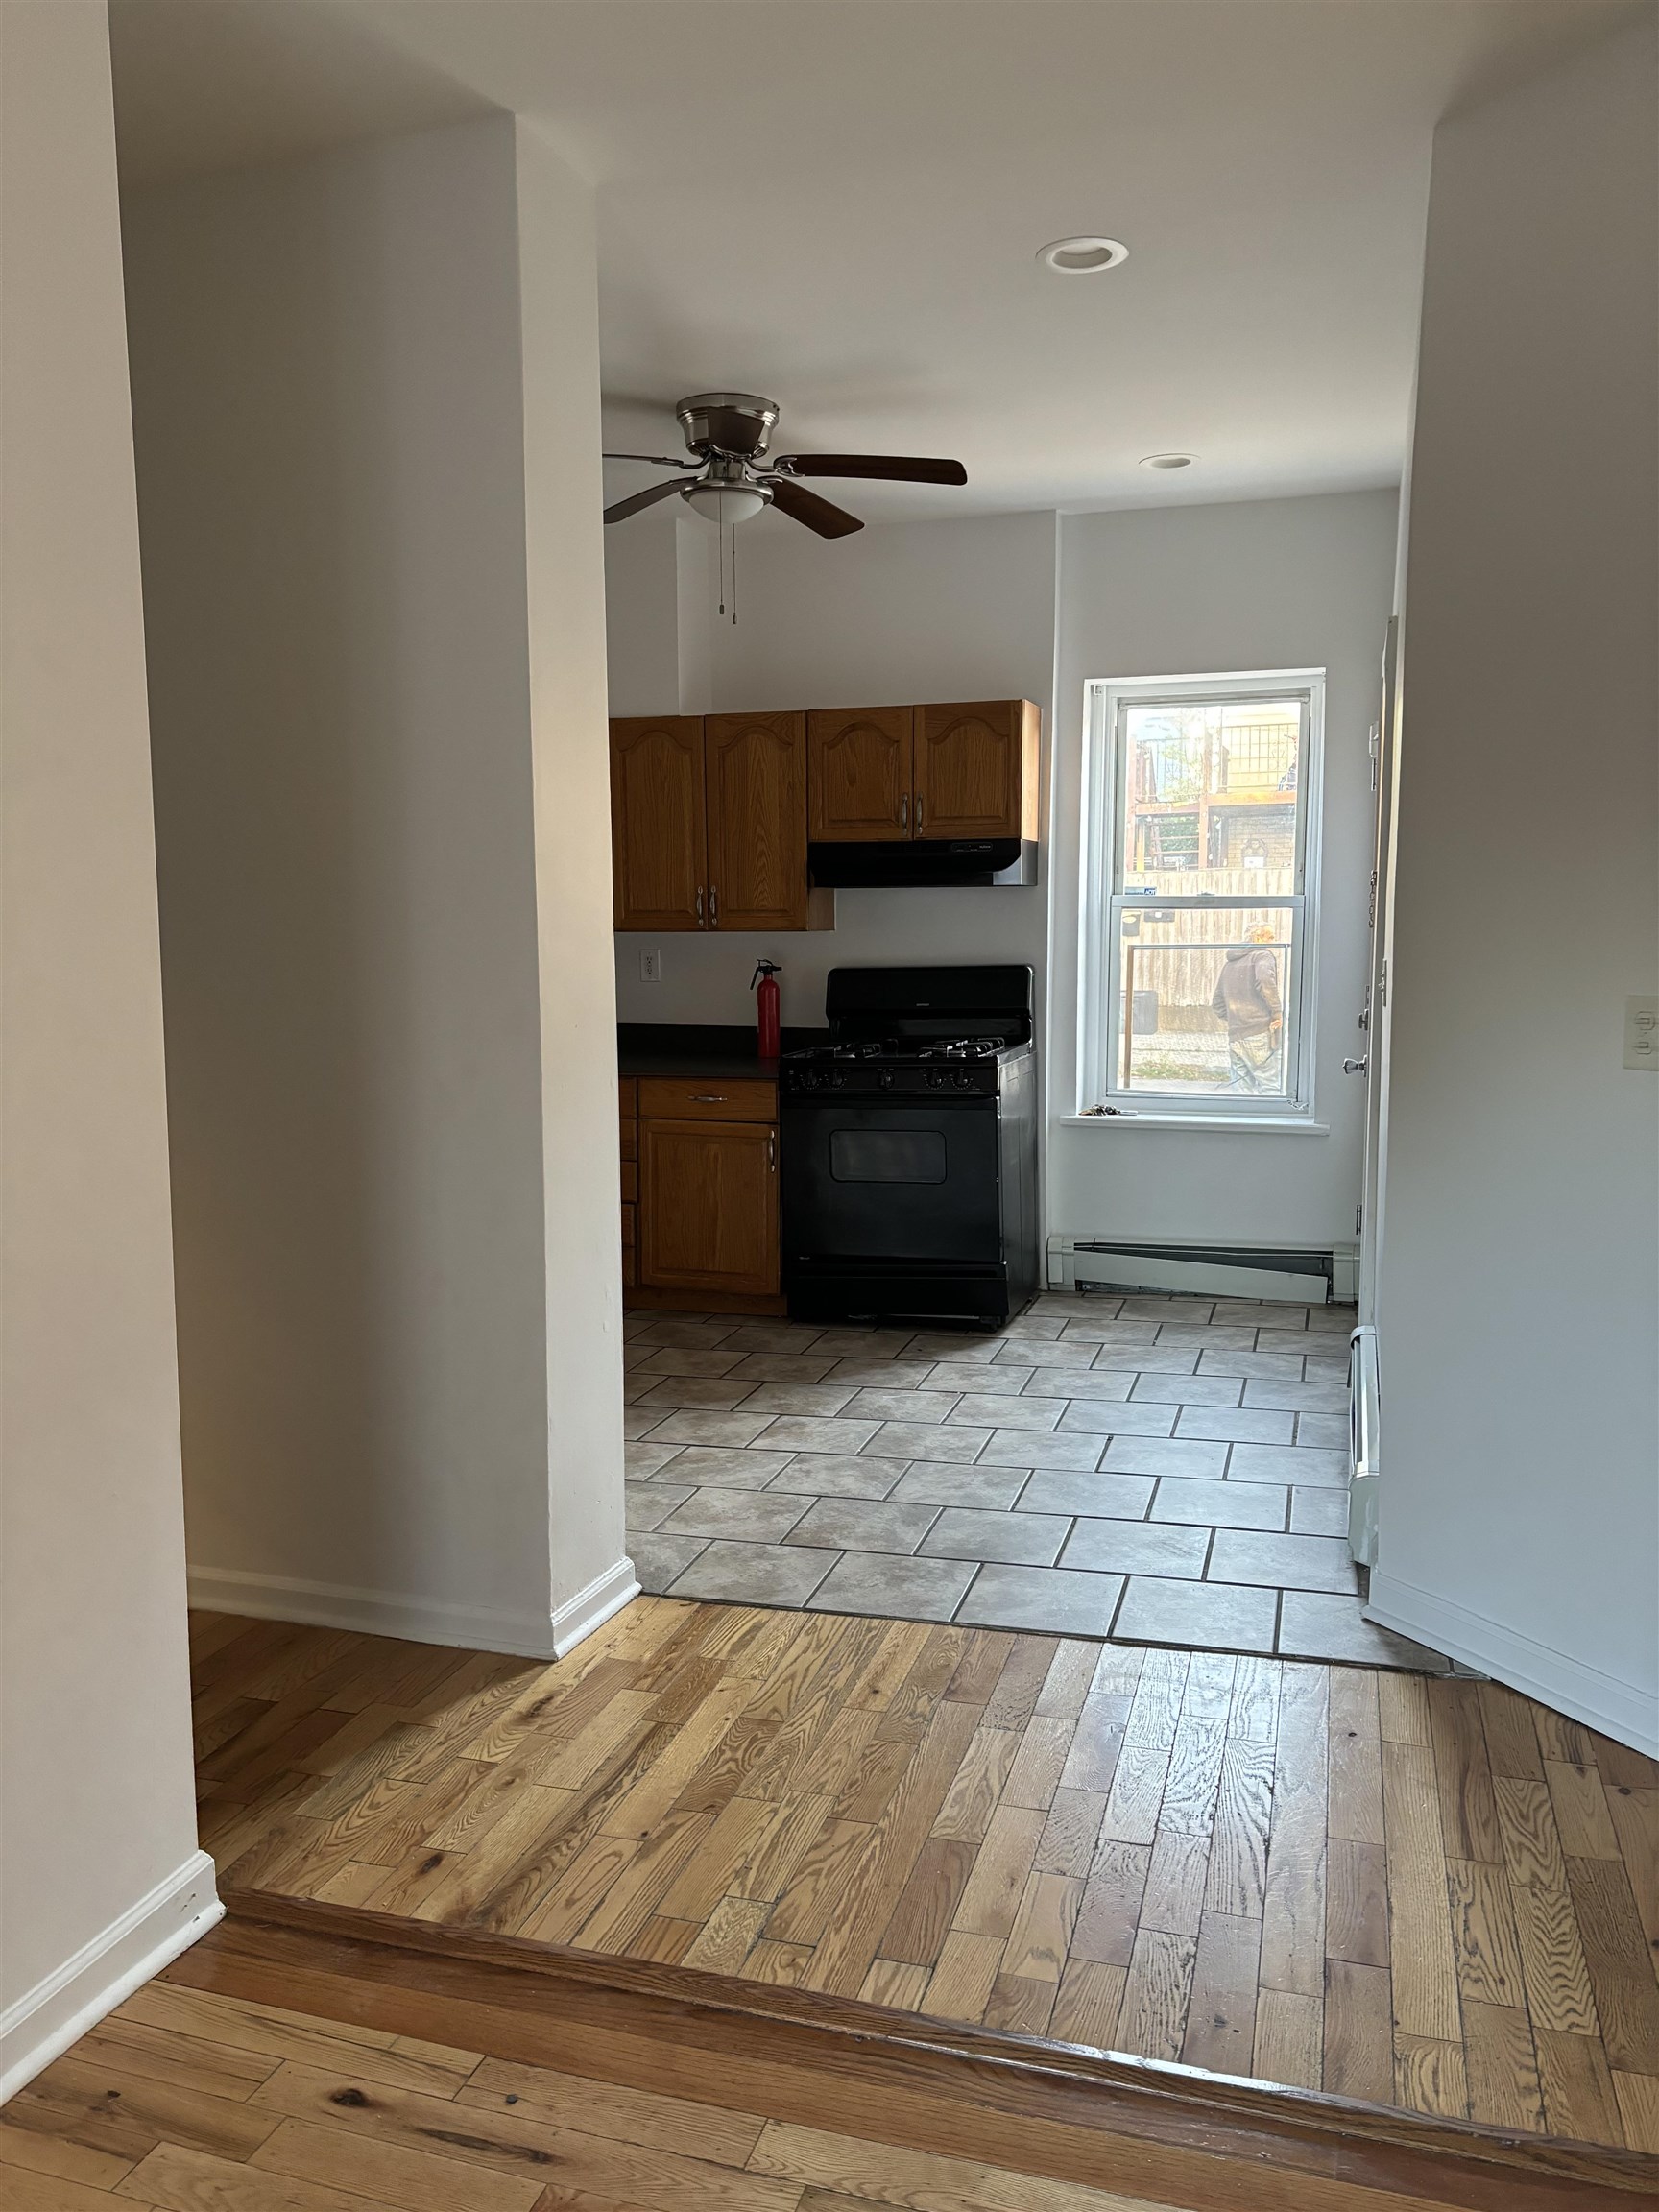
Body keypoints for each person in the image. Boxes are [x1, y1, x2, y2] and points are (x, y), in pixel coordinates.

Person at [1211, 925, 1284, 1092]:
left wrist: (1237, 1019)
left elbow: (1217, 1003)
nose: (1274, 941)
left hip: (1236, 1034)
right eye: (1270, 937)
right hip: (1259, 1032)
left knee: (1241, 1090)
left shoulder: (1230, 963)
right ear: (1258, 938)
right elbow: (1265, 980)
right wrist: (1276, 1013)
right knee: (1271, 1086)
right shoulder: (1263, 956)